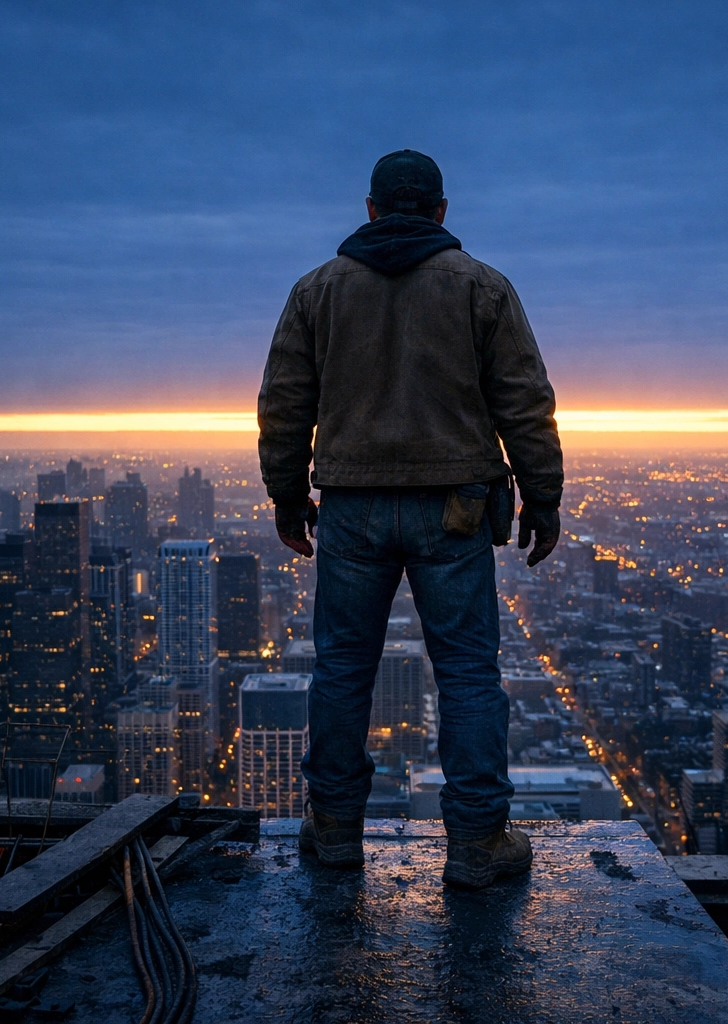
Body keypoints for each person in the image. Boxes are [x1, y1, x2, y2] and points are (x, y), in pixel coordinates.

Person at [257, 150, 563, 890]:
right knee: (465, 674)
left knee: (341, 670)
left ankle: (333, 830)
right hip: (454, 508)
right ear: (441, 211)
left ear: (369, 209)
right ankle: (478, 840)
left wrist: (287, 496)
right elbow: (524, 401)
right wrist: (542, 496)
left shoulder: (317, 291)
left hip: (353, 506)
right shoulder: (482, 289)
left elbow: (284, 403)